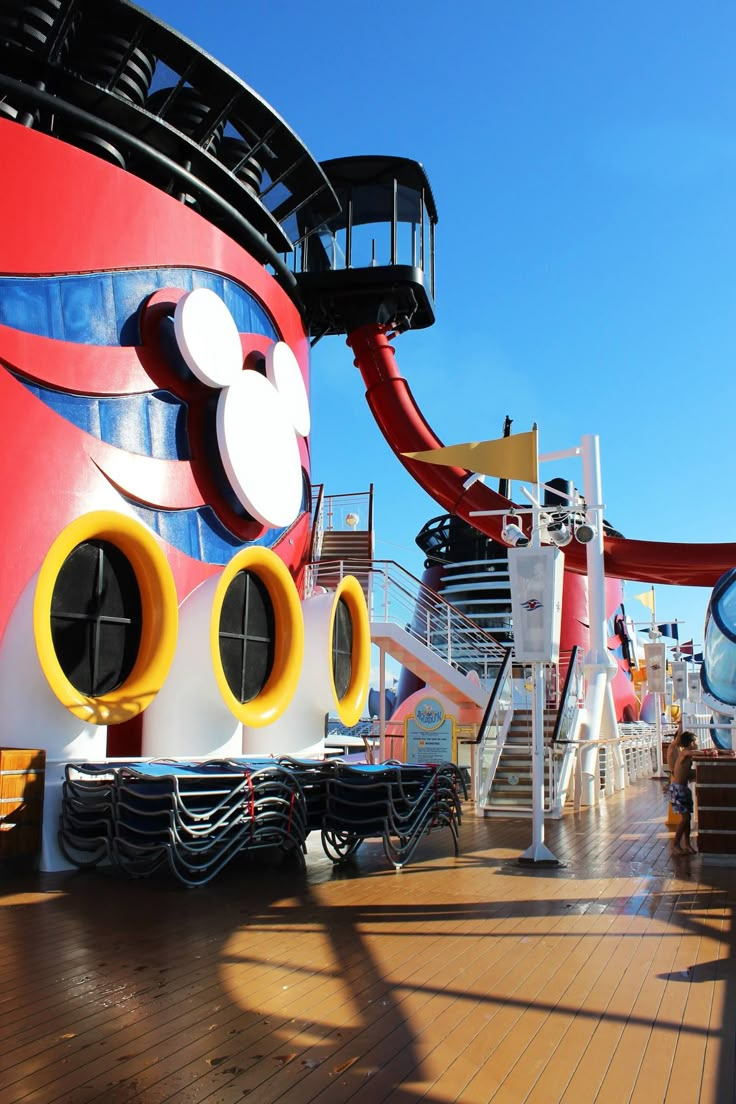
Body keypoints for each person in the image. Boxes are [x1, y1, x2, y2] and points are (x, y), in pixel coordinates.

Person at [668, 731, 698, 854]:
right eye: (695, 742)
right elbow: (692, 752)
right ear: (691, 743)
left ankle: (687, 844)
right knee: (685, 819)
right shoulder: (684, 753)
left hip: (684, 789)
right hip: (678, 790)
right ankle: (675, 844)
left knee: (687, 817)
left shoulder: (687, 756)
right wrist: (708, 752)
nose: (697, 744)